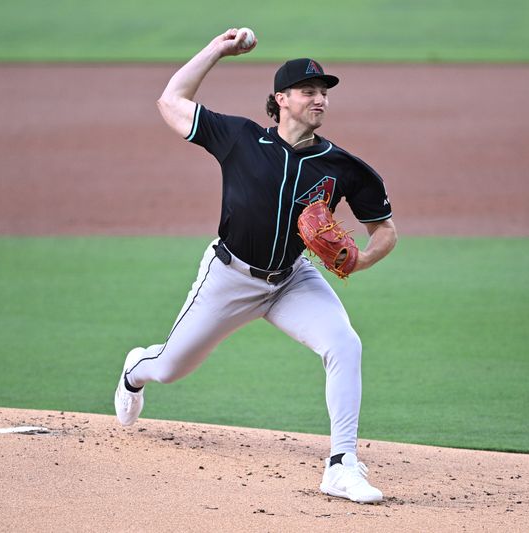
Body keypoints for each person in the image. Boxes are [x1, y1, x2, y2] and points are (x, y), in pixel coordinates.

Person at [114, 28, 397, 504]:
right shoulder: (240, 138)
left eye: (323, 92)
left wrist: (364, 260)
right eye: (308, 91)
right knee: (170, 368)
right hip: (228, 277)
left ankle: (342, 464)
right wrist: (218, 50)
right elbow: (171, 100)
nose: (319, 99)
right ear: (280, 99)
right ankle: (134, 371)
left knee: (344, 344)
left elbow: (384, 230)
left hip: (293, 280)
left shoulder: (343, 167)